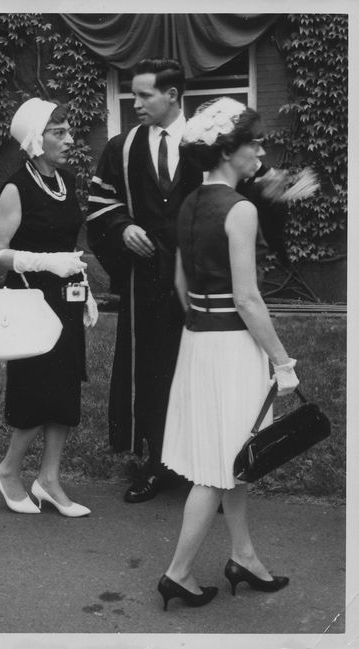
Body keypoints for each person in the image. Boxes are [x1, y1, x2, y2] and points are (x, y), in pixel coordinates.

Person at [157, 97, 299, 610]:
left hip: (198, 342)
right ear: (226, 151)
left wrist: (201, 320)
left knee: (235, 459)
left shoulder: (191, 202)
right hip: (233, 346)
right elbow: (247, 298)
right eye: (253, 141)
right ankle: (177, 573)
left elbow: (179, 278)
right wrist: (283, 362)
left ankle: (245, 557)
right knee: (218, 469)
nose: (261, 148)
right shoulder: (238, 209)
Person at [87, 58, 205, 503]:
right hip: (147, 282)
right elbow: (101, 200)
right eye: (132, 94)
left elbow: (238, 195)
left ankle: (202, 473)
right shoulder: (122, 147)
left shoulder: (208, 144)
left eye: (143, 95)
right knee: (151, 369)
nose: (133, 103)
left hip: (200, 279)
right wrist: (121, 226)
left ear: (173, 95)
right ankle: (158, 463)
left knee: (198, 370)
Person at [0, 98, 98, 516]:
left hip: (63, 299)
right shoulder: (17, 187)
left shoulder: (67, 180)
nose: (70, 139)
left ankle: (49, 479)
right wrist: (44, 261)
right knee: (38, 389)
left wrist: (82, 285)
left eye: (69, 131)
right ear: (36, 140)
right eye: (59, 133)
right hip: (31, 300)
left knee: (65, 387)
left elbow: (70, 243)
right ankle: (9, 470)